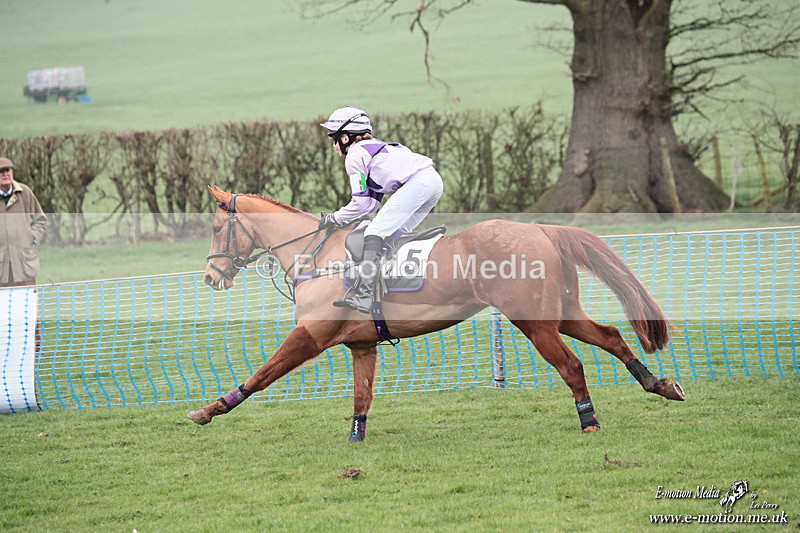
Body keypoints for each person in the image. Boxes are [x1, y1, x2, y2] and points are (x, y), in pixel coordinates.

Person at [319, 106, 444, 313]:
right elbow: (369, 205)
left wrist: (334, 218)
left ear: (345, 137)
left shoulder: (355, 155)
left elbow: (360, 203)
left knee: (374, 232)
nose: (334, 146)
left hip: (418, 183)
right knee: (393, 234)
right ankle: (390, 282)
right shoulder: (375, 149)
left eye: (334, 138)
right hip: (433, 182)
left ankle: (365, 296)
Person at [0, 157, 48, 288]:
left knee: (26, 301)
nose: (5, 174)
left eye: (7, 170)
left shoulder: (25, 193)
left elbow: (40, 219)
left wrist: (32, 237)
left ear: (12, 172)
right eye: (1, 171)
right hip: (1, 269)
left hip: (24, 265)